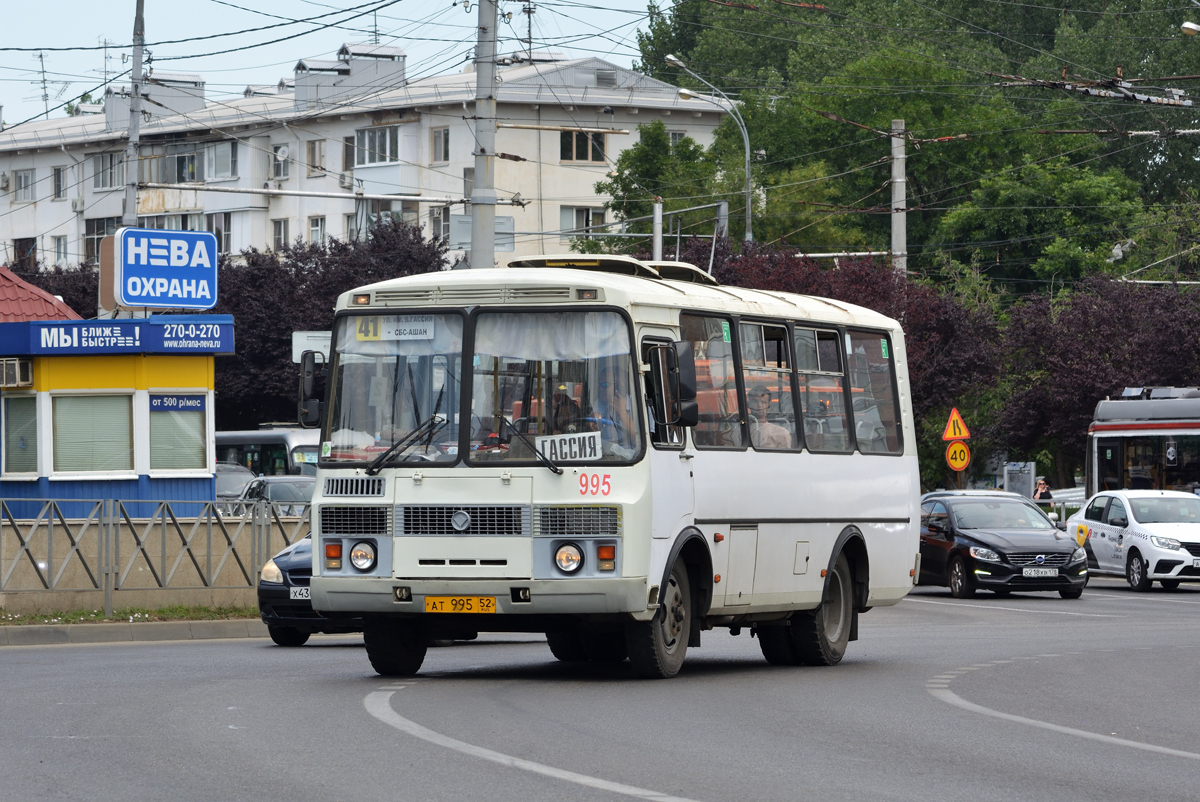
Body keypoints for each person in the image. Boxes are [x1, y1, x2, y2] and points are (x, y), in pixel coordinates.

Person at [592, 364, 637, 458]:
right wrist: (594, 421)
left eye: (604, 385)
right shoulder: (600, 403)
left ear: (619, 387)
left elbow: (639, 443)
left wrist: (622, 413)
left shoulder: (639, 408)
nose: (600, 389)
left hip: (631, 462)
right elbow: (596, 416)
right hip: (604, 458)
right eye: (599, 385)